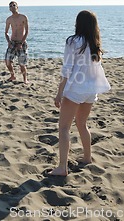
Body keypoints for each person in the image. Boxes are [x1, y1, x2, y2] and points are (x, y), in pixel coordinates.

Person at [47, 10, 110, 176]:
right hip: (90, 90)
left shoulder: (73, 41)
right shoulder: (94, 43)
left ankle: (62, 167)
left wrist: (59, 92)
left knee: (64, 128)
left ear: (78, 23)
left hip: (76, 88)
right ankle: (87, 158)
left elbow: (67, 69)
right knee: (82, 124)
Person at [4, 1, 29, 83]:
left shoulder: (23, 17)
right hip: (12, 43)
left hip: (21, 42)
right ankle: (12, 75)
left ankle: (25, 79)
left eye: (14, 5)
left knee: (22, 64)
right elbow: (6, 32)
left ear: (17, 7)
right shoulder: (9, 19)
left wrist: (21, 43)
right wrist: (8, 41)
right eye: (10, 6)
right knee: (8, 61)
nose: (12, 7)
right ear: (9, 8)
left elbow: (27, 31)